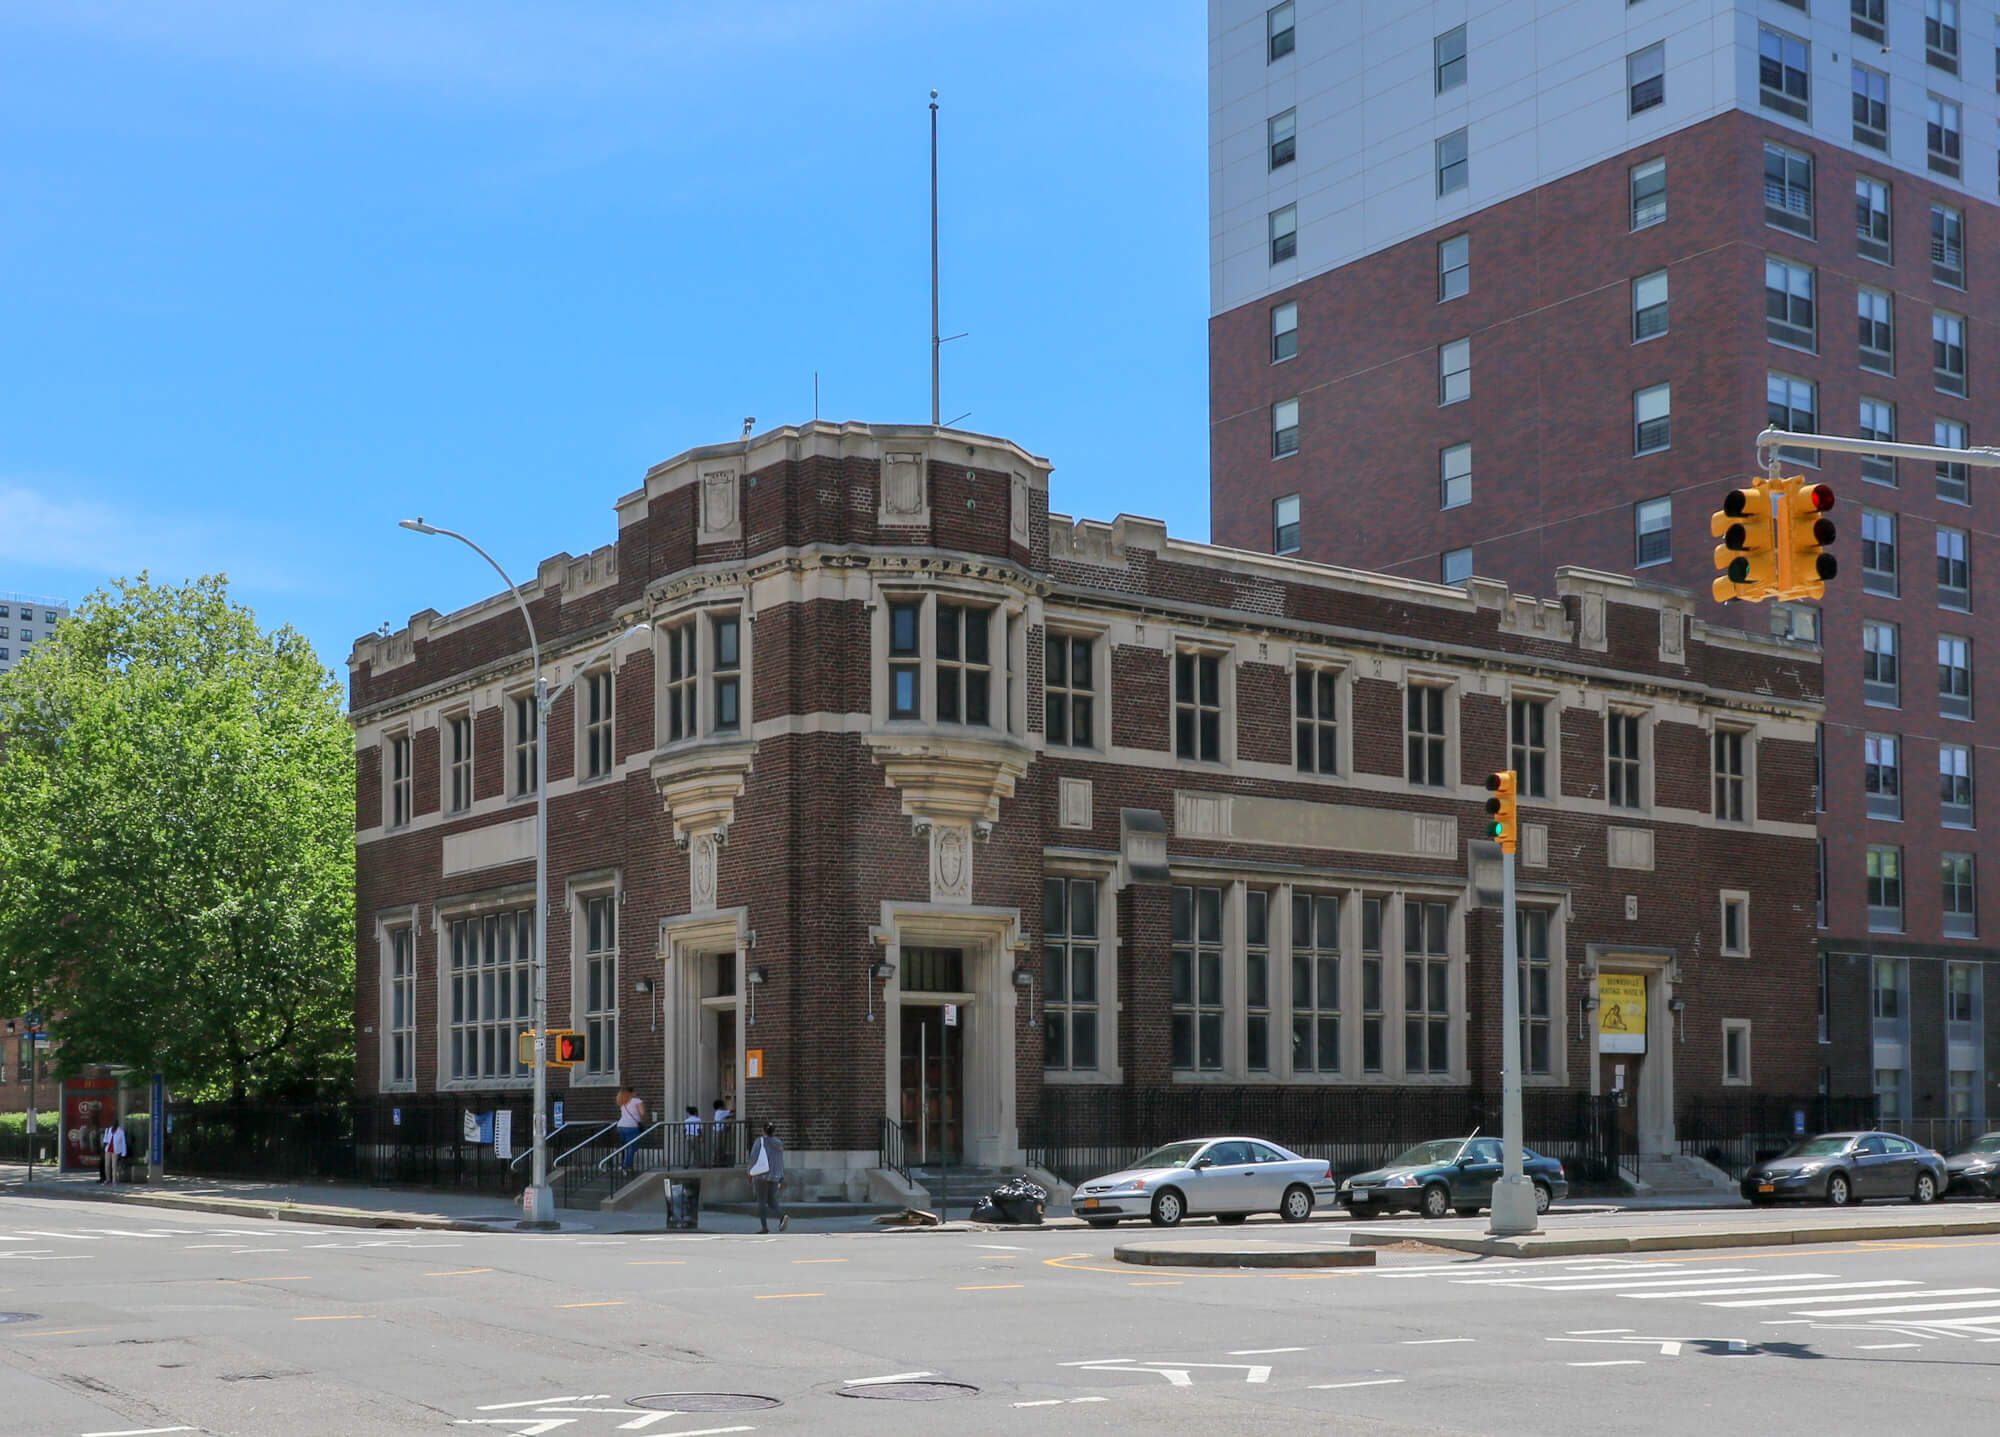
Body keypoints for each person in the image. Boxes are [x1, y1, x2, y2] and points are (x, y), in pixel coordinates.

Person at [748, 1121, 787, 1233]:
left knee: (761, 1202)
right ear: (774, 1131)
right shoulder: (779, 1143)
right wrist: (781, 1176)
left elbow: (753, 1158)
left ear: (763, 1130)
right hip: (775, 1176)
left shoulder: (760, 1142)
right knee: (771, 1199)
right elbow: (780, 1160)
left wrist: (750, 1172)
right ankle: (782, 1216)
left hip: (761, 1176)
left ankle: (764, 1227)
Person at [614, 1087, 646, 1171]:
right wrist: (642, 1119)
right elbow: (642, 1113)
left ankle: (628, 1165)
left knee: (627, 1147)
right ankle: (625, 1165)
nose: (636, 1093)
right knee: (633, 1147)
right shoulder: (637, 1101)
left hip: (620, 1126)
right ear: (631, 1093)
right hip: (631, 1126)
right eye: (634, 1092)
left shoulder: (623, 1102)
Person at [101, 1117, 127, 1185]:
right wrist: (103, 1147)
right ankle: (108, 1179)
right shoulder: (108, 1130)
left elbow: (123, 1143)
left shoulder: (121, 1132)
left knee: (114, 1166)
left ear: (117, 1124)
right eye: (113, 1123)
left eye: (115, 1123)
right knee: (107, 1165)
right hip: (108, 1149)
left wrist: (123, 1154)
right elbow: (105, 1139)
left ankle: (114, 1180)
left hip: (116, 1150)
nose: (113, 1124)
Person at [710, 1096, 732, 1166]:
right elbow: (730, 1112)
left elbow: (726, 1116)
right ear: (720, 1106)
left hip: (717, 1131)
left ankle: (718, 1161)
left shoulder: (718, 1112)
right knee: (718, 1147)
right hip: (718, 1132)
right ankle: (716, 1162)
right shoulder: (720, 1112)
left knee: (718, 1147)